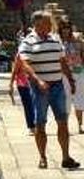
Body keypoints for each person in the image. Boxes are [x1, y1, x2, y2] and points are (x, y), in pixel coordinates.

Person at [18, 10, 79, 170]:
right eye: (47, 22)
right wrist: (38, 81)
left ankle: (66, 157)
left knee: (63, 122)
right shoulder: (27, 41)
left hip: (57, 85)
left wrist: (71, 80)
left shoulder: (55, 39)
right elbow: (25, 64)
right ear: (38, 24)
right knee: (40, 123)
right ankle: (43, 157)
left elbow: (62, 60)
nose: (51, 24)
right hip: (40, 88)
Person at [58, 21, 84, 134]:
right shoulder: (57, 41)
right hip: (64, 74)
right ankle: (66, 125)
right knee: (66, 100)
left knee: (80, 99)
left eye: (67, 27)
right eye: (63, 27)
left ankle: (79, 125)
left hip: (79, 72)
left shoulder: (78, 40)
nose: (65, 30)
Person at [10, 52, 36, 135]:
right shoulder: (20, 55)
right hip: (23, 84)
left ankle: (36, 125)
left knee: (35, 105)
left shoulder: (36, 53)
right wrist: (11, 84)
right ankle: (31, 127)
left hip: (35, 83)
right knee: (28, 106)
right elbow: (15, 70)